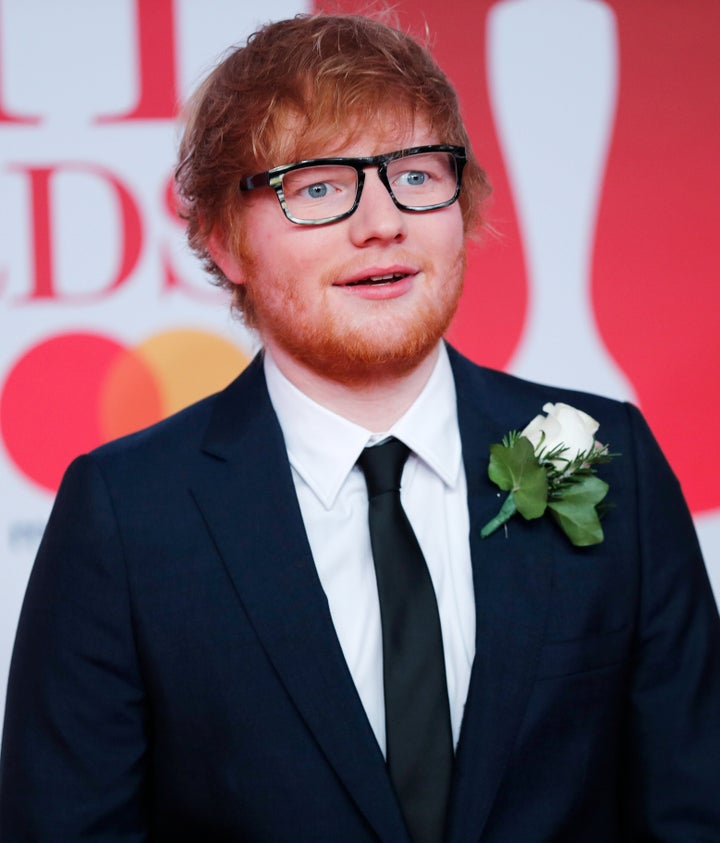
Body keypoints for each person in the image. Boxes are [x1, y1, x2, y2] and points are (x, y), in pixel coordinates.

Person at [1, 11, 719, 843]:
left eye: (416, 175)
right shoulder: (127, 513)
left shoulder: (600, 451)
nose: (382, 222)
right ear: (222, 242)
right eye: (318, 186)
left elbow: (692, 805)